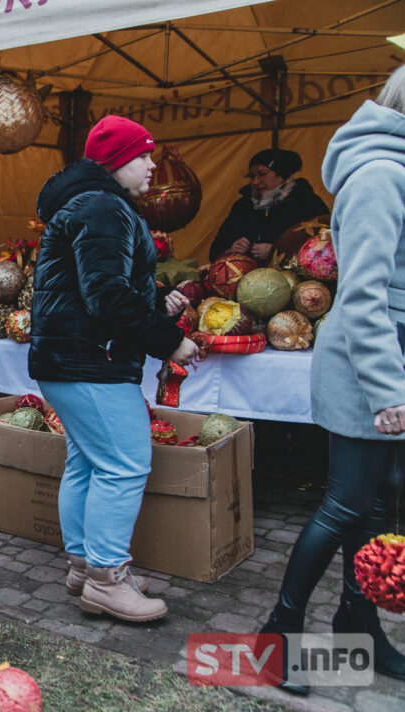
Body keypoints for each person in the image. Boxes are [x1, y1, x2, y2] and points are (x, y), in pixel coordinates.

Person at [259, 66, 405, 694]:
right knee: (346, 503)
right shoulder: (381, 175)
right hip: (364, 366)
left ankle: (358, 626)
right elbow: (367, 295)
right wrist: (389, 390)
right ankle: (278, 634)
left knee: (376, 505)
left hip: (385, 360)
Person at [28, 115, 199, 623]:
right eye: (143, 156)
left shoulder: (89, 204)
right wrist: (170, 341)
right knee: (125, 464)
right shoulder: (104, 206)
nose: (152, 166)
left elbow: (96, 282)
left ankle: (84, 566)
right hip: (90, 360)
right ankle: (106, 578)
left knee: (87, 462)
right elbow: (105, 296)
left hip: (71, 357)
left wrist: (154, 299)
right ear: (116, 161)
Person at [208, 147, 329, 263]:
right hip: (245, 274)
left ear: (282, 175)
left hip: (291, 276)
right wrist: (230, 250)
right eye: (251, 176)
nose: (255, 182)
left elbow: (324, 249)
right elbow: (215, 251)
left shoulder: (306, 202)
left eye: (262, 174)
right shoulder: (242, 206)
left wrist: (277, 252)